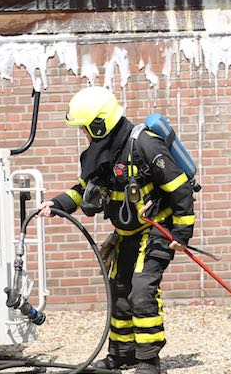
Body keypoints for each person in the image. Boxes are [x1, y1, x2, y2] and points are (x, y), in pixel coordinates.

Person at [41, 86, 196, 374]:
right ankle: (122, 355)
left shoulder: (144, 145)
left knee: (142, 290)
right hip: (125, 234)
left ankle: (149, 360)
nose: (83, 134)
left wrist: (182, 234)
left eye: (85, 128)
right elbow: (84, 189)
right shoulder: (103, 153)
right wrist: (57, 204)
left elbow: (180, 188)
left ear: (100, 124)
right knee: (119, 289)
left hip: (156, 230)